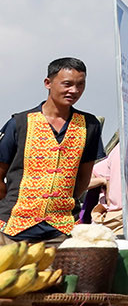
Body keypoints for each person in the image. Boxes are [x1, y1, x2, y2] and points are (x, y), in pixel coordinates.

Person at [1, 58, 105, 242]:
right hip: (14, 228)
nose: (74, 90)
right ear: (48, 83)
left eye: (80, 85)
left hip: (61, 230)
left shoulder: (89, 126)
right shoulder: (19, 123)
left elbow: (83, 178)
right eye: (67, 84)